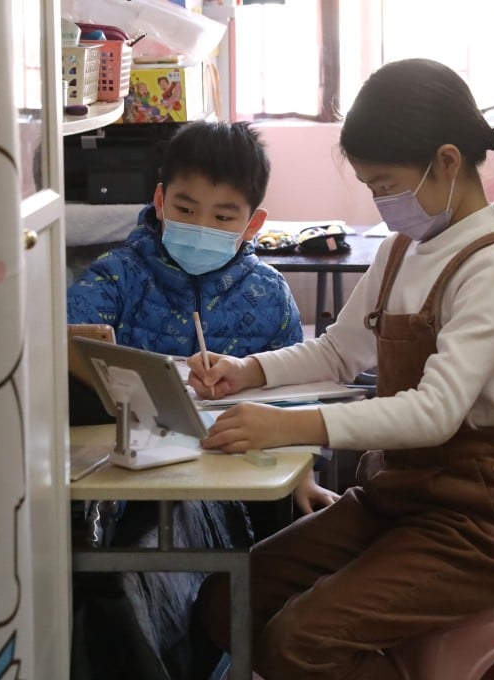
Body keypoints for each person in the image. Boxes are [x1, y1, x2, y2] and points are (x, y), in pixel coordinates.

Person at [189, 58, 494, 679]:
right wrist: (249, 371)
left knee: (297, 642)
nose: (381, 205)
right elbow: (336, 351)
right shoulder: (405, 248)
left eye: (385, 185)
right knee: (227, 605)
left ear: (449, 162)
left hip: (478, 523)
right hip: (401, 495)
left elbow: (434, 413)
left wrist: (289, 426)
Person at [66, 121, 338, 679]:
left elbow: (298, 398)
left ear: (252, 224)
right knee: (119, 572)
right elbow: (70, 341)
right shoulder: (119, 275)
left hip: (233, 478)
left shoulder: (268, 296)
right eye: (186, 210)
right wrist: (159, 374)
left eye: (222, 217)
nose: (201, 226)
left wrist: (304, 475)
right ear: (160, 200)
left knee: (202, 564)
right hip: (128, 479)